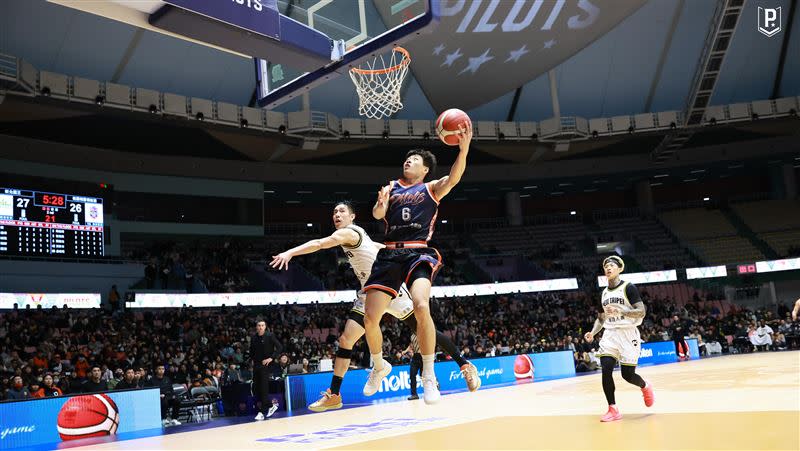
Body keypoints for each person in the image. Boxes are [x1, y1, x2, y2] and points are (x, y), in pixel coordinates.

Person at [270, 201, 480, 412]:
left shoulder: (348, 233)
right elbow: (378, 247)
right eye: (334, 212)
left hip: (389, 288)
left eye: (342, 211)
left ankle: (464, 364)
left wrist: (290, 253)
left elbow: (319, 243)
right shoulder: (360, 236)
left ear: (352, 217)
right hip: (369, 292)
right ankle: (335, 393)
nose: (337, 214)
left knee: (424, 330)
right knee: (346, 339)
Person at [362, 123, 473, 405]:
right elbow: (377, 215)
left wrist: (463, 148)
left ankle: (428, 375)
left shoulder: (431, 188)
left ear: (425, 169)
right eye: (406, 159)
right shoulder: (391, 187)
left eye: (414, 160)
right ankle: (378, 365)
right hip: (389, 254)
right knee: (370, 319)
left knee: (422, 306)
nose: (407, 161)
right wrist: (380, 203)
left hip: (418, 252)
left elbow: (455, 178)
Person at [584, 256, 654, 422]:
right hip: (610, 334)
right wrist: (593, 333)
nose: (608, 268)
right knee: (606, 368)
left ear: (619, 269)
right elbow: (601, 318)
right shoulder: (603, 293)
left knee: (627, 375)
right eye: (606, 266)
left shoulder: (628, 288)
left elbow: (641, 311)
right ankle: (612, 408)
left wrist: (622, 312)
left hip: (628, 333)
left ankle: (645, 386)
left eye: (612, 265)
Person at [249, 319, 283, 421]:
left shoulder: (269, 336)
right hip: (256, 365)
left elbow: (280, 347)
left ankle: (262, 413)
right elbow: (252, 351)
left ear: (265, 327)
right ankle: (270, 405)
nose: (260, 327)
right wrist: (251, 361)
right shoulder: (254, 338)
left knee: (264, 388)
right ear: (256, 327)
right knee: (256, 389)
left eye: (262, 325)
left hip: (266, 365)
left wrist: (271, 358)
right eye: (259, 325)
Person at [405, 334, 423, 400]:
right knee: (412, 375)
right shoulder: (412, 335)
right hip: (415, 357)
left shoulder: (422, 332)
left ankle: (435, 386)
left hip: (423, 357)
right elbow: (411, 345)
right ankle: (414, 394)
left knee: (424, 376)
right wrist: (404, 351)